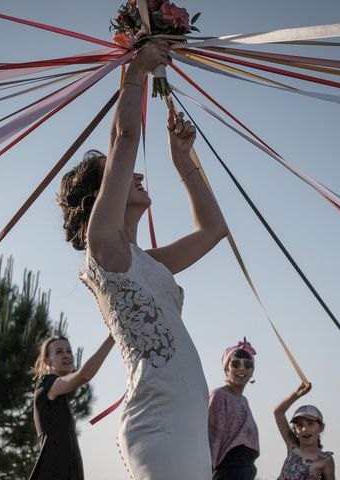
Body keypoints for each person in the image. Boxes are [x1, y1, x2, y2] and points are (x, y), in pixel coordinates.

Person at [58, 39, 228, 479]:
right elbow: (125, 139)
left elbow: (214, 230)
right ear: (101, 197)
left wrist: (182, 158)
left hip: (188, 418)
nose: (133, 172)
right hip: (157, 417)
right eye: (116, 173)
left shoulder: (147, 261)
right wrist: (135, 69)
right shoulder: (104, 247)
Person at [29, 334, 114, 480]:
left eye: (69, 351)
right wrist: (112, 338)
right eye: (59, 352)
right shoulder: (47, 384)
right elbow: (84, 376)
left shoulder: (55, 390)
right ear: (47, 361)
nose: (67, 355)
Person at [208, 339, 260, 480]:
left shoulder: (244, 401)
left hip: (247, 469)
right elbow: (212, 436)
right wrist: (206, 473)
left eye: (247, 365)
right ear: (226, 369)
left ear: (252, 371)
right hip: (229, 470)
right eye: (236, 364)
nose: (241, 368)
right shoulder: (219, 395)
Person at [274, 383, 334, 480]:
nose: (304, 429)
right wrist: (297, 394)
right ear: (294, 430)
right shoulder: (292, 446)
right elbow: (278, 413)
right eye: (300, 425)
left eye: (310, 424)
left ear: (321, 427)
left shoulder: (325, 460)